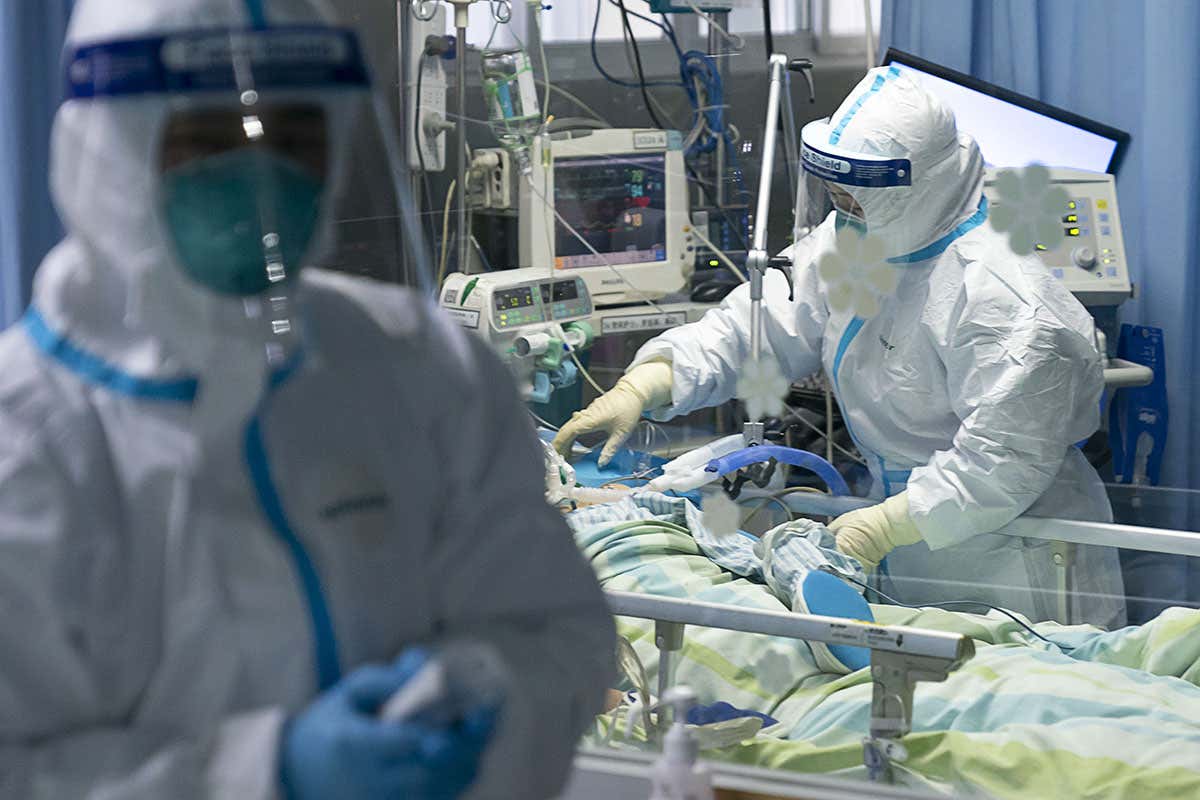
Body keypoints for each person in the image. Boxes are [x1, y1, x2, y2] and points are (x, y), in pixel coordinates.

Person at [0, 0, 614, 798]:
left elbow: (560, 632)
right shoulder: (28, 446)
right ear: (114, 150)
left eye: (295, 140)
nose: (260, 173)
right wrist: (268, 773)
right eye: (208, 139)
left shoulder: (422, 367)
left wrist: (479, 690)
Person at [555, 66, 1124, 627]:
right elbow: (757, 329)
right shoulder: (863, 238)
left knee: (1018, 676)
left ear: (917, 190)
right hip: (905, 536)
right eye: (836, 194)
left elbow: (1001, 463)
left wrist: (882, 528)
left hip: (1016, 551)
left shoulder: (1006, 302)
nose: (841, 210)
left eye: (856, 199)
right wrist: (649, 381)